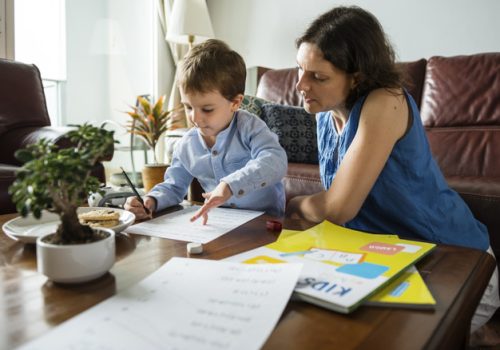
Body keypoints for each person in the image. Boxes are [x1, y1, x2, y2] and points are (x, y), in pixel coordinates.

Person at [286, 6, 499, 334]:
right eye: (300, 69)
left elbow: (338, 208)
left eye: (318, 76)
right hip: (385, 258)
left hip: (454, 260)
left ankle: (476, 331)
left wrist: (291, 204)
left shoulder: (386, 101)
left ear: (357, 76)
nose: (301, 84)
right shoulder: (326, 115)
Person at [125, 39, 287, 224]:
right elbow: (173, 185)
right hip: (221, 223)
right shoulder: (186, 144)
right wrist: (151, 200)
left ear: (235, 102)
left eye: (207, 109)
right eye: (188, 107)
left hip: (265, 223)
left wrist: (230, 185)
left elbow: (275, 161)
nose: (195, 118)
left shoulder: (250, 127)